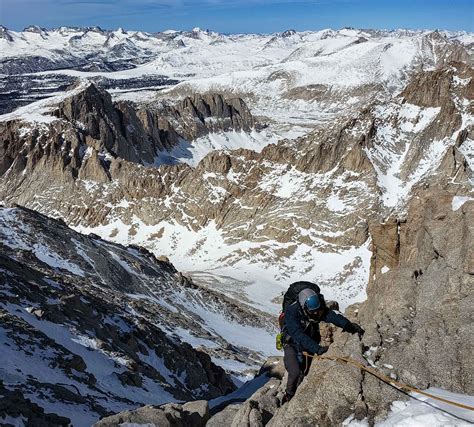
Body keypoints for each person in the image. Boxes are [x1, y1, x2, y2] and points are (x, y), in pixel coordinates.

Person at [281, 287, 364, 403]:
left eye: (317, 310)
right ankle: (288, 395)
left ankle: (297, 394)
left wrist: (349, 326)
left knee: (304, 372)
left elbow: (333, 317)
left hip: (309, 340)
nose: (316, 313)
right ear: (304, 307)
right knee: (294, 371)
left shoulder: (318, 307)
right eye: (312, 311)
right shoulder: (292, 312)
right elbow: (297, 334)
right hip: (291, 343)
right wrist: (317, 349)